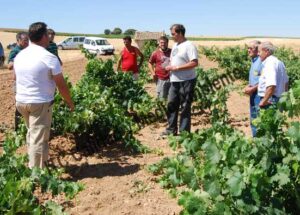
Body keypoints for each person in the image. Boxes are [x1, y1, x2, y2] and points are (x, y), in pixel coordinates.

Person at [14, 22, 74, 168]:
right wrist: (70, 102)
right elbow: (61, 85)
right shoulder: (49, 57)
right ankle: (35, 174)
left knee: (33, 134)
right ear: (42, 37)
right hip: (39, 104)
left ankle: (42, 163)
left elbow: (15, 78)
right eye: (47, 34)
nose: (49, 38)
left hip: (21, 102)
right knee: (38, 139)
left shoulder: (20, 55)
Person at [162, 24, 198, 136]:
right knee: (171, 105)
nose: (171, 36)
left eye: (173, 34)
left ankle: (184, 133)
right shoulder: (175, 45)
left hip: (186, 81)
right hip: (174, 80)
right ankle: (171, 130)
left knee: (185, 107)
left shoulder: (189, 45)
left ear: (180, 33)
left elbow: (194, 63)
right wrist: (168, 65)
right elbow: (176, 60)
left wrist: (176, 68)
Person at [7, 32, 29, 131]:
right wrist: (19, 59)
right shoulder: (15, 51)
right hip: (19, 82)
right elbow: (9, 66)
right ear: (18, 41)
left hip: (27, 81)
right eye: (25, 41)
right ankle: (17, 129)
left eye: (28, 40)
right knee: (19, 106)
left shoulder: (28, 50)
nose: (27, 42)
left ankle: (25, 127)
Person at [257, 41, 289, 109]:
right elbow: (286, 83)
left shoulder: (269, 64)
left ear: (266, 51)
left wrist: (263, 101)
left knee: (267, 119)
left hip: (270, 101)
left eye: (259, 51)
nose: (258, 54)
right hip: (278, 99)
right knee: (277, 119)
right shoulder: (279, 62)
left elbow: (271, 85)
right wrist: (284, 97)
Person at [244, 40, 263, 137]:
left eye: (250, 48)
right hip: (253, 94)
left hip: (259, 95)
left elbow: (265, 80)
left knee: (257, 119)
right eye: (247, 48)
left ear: (257, 50)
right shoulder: (254, 61)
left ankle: (259, 141)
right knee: (253, 118)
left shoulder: (260, 62)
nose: (248, 50)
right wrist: (249, 86)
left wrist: (253, 88)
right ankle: (256, 140)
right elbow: (256, 78)